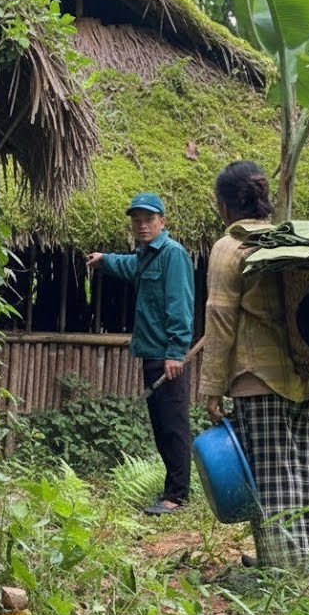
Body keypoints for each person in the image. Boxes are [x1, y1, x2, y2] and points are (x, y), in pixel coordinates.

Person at [200, 161, 309, 569]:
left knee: (269, 479)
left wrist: (212, 386)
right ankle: (304, 560)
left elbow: (219, 318)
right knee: (303, 473)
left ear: (224, 206)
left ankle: (281, 571)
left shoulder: (229, 247)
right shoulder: (286, 241)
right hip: (304, 374)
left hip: (256, 378)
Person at [87, 193, 195, 515]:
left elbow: (180, 306)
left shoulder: (172, 255)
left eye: (149, 219)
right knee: (161, 425)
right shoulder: (146, 256)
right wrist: (104, 259)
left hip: (167, 358)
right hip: (151, 354)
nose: (142, 225)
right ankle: (172, 492)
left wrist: (176, 352)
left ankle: (177, 496)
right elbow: (128, 265)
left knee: (173, 425)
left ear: (162, 222)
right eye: (137, 220)